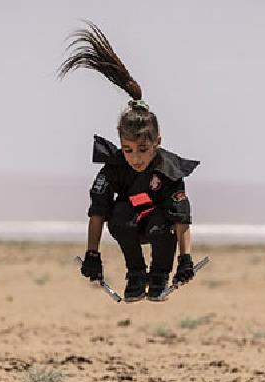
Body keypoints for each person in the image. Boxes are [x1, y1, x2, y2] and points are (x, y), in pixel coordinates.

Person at [58, 21, 200, 302]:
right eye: (128, 149)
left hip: (160, 228)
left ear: (157, 143)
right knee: (119, 215)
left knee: (163, 222)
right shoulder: (113, 168)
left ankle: (158, 275)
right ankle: (136, 274)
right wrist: (92, 254)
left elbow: (182, 219)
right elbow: (97, 212)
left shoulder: (169, 170)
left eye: (143, 149)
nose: (135, 158)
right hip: (130, 227)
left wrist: (186, 260)